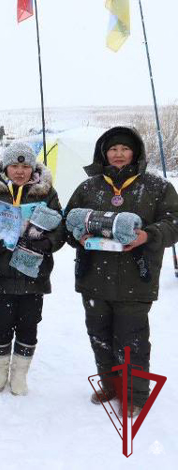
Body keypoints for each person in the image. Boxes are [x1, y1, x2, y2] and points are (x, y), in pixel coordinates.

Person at [65, 126, 178, 418]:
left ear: (135, 153)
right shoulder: (88, 187)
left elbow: (174, 223)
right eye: (112, 149)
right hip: (93, 277)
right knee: (99, 336)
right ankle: (111, 385)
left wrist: (148, 236)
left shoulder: (157, 187)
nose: (118, 154)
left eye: (124, 149)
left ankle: (135, 394)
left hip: (136, 279)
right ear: (104, 153)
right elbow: (69, 222)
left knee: (132, 340)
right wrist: (77, 235)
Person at [0, 142, 65, 395]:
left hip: (33, 272)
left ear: (33, 168)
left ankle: (19, 374)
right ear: (5, 167)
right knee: (1, 323)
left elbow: (59, 226)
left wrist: (49, 242)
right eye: (14, 166)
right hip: (1, 271)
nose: (19, 171)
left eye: (25, 166)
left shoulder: (46, 192)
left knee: (29, 324)